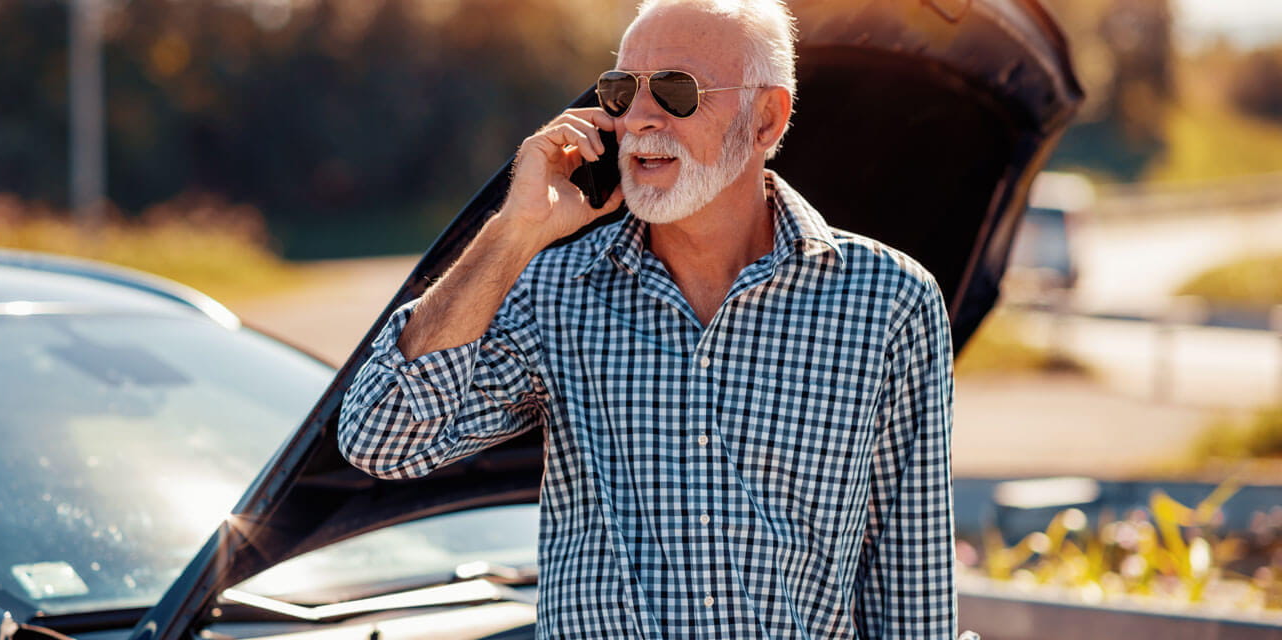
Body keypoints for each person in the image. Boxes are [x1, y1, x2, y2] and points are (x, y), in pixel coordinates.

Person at [338, 0, 957, 637]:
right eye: (620, 90)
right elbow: (381, 441)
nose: (637, 117)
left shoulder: (887, 300)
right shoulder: (556, 286)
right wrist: (513, 232)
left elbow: (909, 580)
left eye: (674, 90)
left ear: (767, 118)